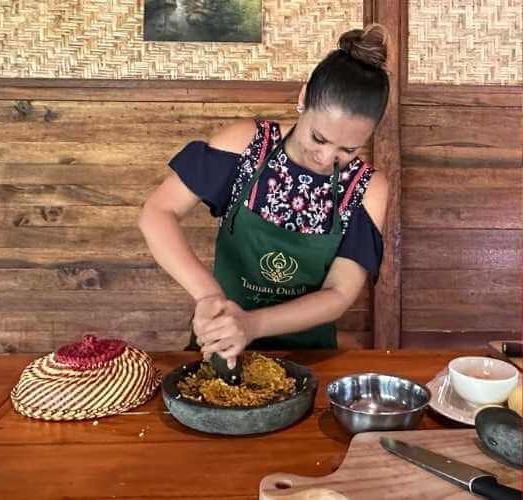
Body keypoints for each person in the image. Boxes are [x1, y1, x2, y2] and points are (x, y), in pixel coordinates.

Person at [138, 24, 391, 368]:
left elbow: (339, 293)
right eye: (318, 138)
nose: (325, 157)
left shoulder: (367, 189)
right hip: (221, 343)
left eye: (347, 149)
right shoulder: (246, 145)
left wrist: (252, 325)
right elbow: (157, 212)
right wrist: (208, 295)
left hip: (310, 356)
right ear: (303, 98)